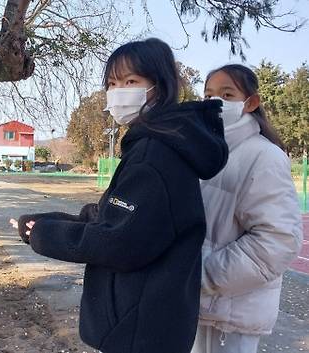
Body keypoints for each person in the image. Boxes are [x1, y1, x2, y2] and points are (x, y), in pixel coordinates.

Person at [15, 38, 229, 353]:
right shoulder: (159, 145)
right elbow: (120, 219)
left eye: (131, 81)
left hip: (140, 329)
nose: (119, 91)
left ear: (158, 86)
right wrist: (45, 223)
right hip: (153, 324)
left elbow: (121, 242)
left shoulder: (154, 154)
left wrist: (46, 235)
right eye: (112, 83)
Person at [191, 64, 303, 353]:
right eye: (209, 95)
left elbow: (278, 240)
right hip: (196, 304)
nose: (216, 102)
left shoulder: (264, 156)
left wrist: (204, 275)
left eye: (227, 94)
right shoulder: (206, 154)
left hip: (230, 315)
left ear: (250, 103)